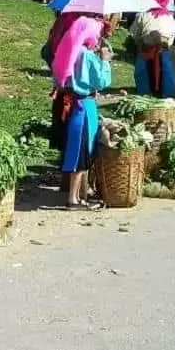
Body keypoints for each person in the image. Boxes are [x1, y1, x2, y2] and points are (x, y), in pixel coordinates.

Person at [51, 16, 111, 210]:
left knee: (75, 149)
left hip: (70, 103)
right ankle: (72, 199)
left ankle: (77, 194)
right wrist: (105, 61)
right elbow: (101, 82)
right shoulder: (86, 55)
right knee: (81, 152)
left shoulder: (69, 51)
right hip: (83, 107)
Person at [131, 0, 175, 98]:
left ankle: (143, 91)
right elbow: (171, 38)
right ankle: (167, 92)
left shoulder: (142, 15)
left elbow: (134, 33)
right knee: (167, 65)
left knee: (141, 68)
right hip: (163, 49)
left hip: (145, 49)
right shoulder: (170, 18)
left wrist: (139, 42)